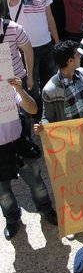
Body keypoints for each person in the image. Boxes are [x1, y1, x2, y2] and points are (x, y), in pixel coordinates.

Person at [0, 77, 58, 240]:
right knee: (3, 192)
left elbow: (32, 109)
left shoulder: (7, 88)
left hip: (19, 145)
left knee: (37, 182)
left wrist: (19, 89)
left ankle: (46, 209)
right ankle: (12, 219)